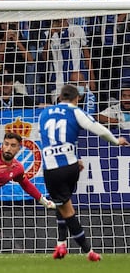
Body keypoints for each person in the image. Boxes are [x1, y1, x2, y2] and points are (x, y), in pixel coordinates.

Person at [38, 84, 130, 262]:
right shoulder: (75, 111)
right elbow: (98, 128)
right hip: (72, 166)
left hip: (52, 168)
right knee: (63, 202)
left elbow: (47, 140)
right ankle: (61, 243)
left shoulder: (44, 114)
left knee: (66, 209)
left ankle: (88, 252)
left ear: (60, 97)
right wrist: (116, 141)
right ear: (77, 98)